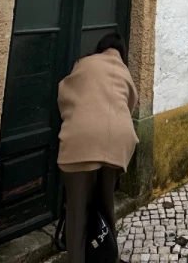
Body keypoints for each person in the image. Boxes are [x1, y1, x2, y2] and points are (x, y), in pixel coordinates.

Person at [57, 31, 138, 263]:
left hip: (81, 141)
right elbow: (130, 104)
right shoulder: (124, 71)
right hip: (118, 141)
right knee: (105, 204)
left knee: (77, 210)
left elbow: (64, 94)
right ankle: (107, 256)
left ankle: (77, 259)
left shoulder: (84, 64)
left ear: (100, 47)